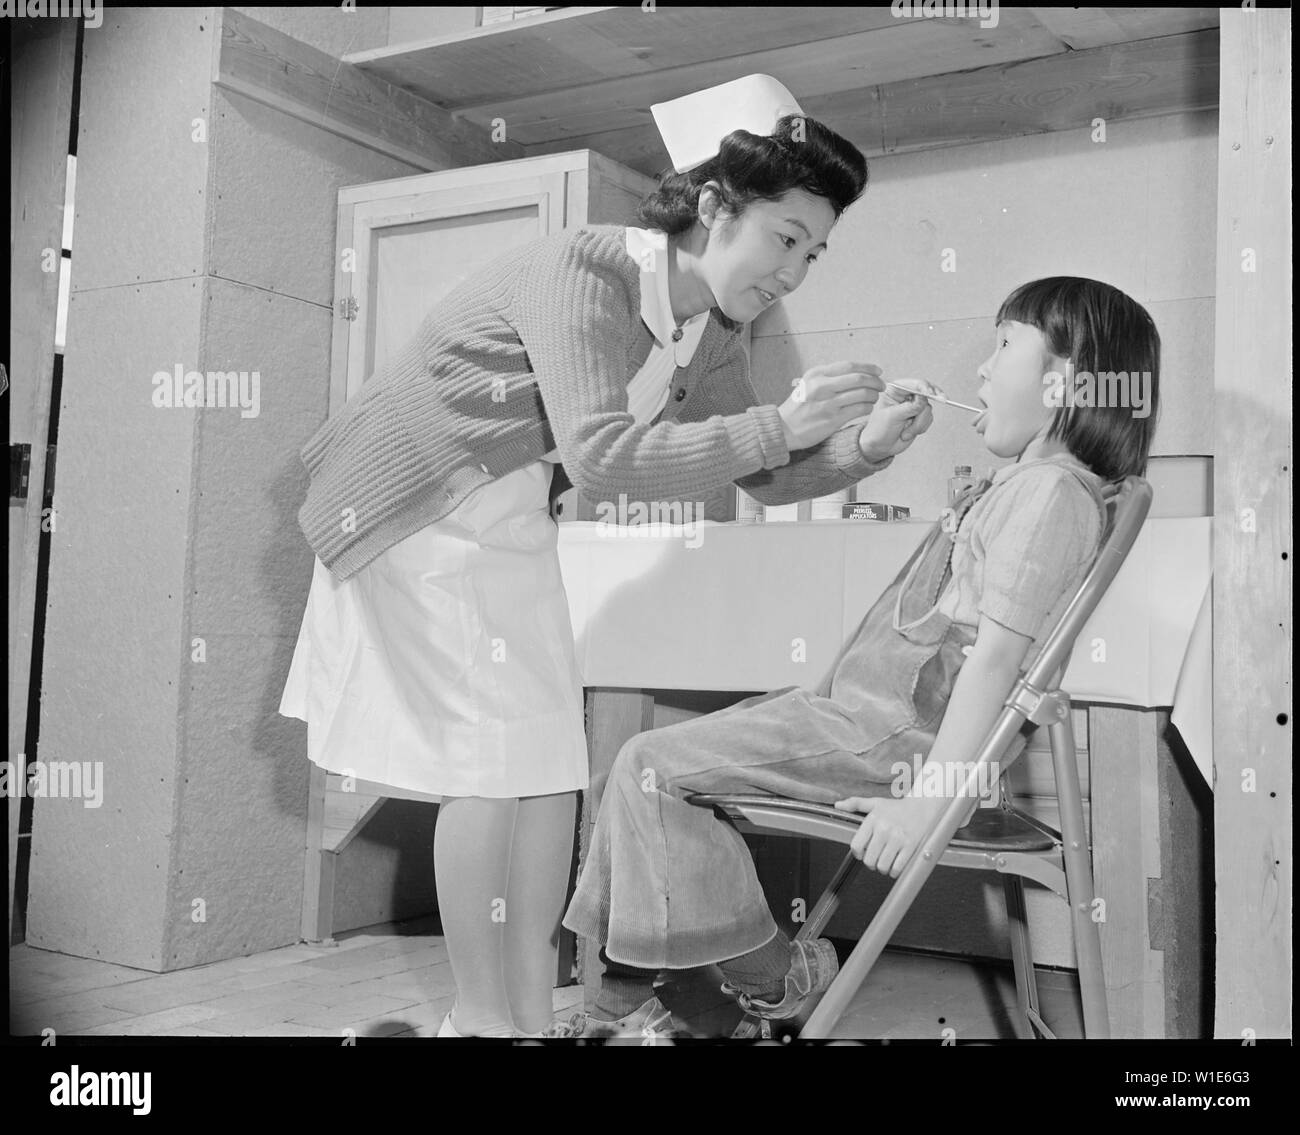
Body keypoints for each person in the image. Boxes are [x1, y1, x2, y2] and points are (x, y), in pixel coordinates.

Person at [278, 77, 936, 1038]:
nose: (795, 272)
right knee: (484, 767)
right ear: (713, 206)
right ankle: (479, 1019)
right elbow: (600, 456)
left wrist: (862, 447)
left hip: (505, 514)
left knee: (548, 763)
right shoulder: (585, 271)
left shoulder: (711, 327)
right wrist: (781, 422)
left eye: (814, 251)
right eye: (786, 237)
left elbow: (755, 469)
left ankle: (522, 1013)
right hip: (416, 505)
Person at [561, 276, 1161, 1040]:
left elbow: (993, 665)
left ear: (1064, 382)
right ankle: (651, 1000)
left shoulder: (1049, 496)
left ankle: (761, 980)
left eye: (1005, 344)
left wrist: (929, 800)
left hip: (894, 738)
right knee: (631, 774)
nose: (982, 366)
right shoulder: (1023, 487)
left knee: (649, 764)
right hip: (865, 719)